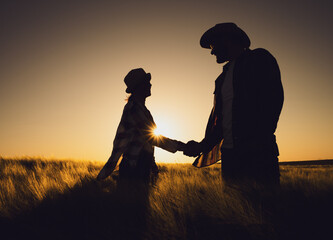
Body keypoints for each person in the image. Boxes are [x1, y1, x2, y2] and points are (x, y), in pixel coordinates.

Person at [184, 23, 284, 185]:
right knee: (234, 207)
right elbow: (222, 123)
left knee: (264, 207)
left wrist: (256, 141)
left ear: (227, 40)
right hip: (230, 158)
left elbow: (273, 101)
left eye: (213, 45)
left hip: (258, 155)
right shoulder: (221, 79)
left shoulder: (259, 59)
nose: (212, 51)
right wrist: (203, 145)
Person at [97, 68, 185, 182]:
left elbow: (145, 143)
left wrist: (152, 166)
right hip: (133, 171)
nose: (150, 84)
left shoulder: (142, 109)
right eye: (147, 82)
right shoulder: (134, 108)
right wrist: (184, 147)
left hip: (140, 168)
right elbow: (151, 138)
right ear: (139, 86)